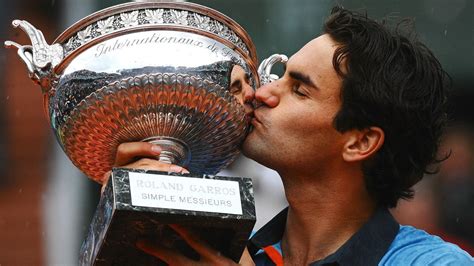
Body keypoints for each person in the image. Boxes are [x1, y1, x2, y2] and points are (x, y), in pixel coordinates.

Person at [109, 6, 474, 265]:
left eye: (299, 89)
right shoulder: (225, 254)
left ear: (360, 142)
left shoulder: (433, 262)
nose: (262, 93)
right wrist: (128, 219)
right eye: (278, 75)